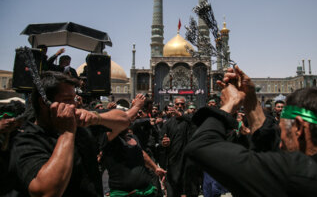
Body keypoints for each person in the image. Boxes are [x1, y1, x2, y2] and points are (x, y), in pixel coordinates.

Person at [185, 66, 317, 196]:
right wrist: (250, 98)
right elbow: (268, 138)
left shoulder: (298, 176)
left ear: (299, 128)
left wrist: (228, 104)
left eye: (282, 131)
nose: (280, 142)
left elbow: (201, 146)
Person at [9, 71, 145, 196]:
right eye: (67, 99)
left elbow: (125, 119)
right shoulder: (27, 140)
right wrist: (67, 133)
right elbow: (47, 191)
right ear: (44, 103)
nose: (74, 105)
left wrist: (96, 117)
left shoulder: (82, 125)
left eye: (74, 99)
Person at [100, 127, 166, 196]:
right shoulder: (108, 139)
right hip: (123, 194)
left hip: (146, 191)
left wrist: (155, 168)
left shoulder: (133, 137)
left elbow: (142, 154)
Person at [160, 97, 200, 197]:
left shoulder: (190, 120)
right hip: (173, 162)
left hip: (188, 162)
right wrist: (164, 143)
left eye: (182, 104)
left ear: (185, 106)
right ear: (174, 105)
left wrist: (182, 115)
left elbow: (196, 124)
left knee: (189, 191)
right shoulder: (168, 123)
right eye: (177, 104)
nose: (179, 106)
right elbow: (161, 139)